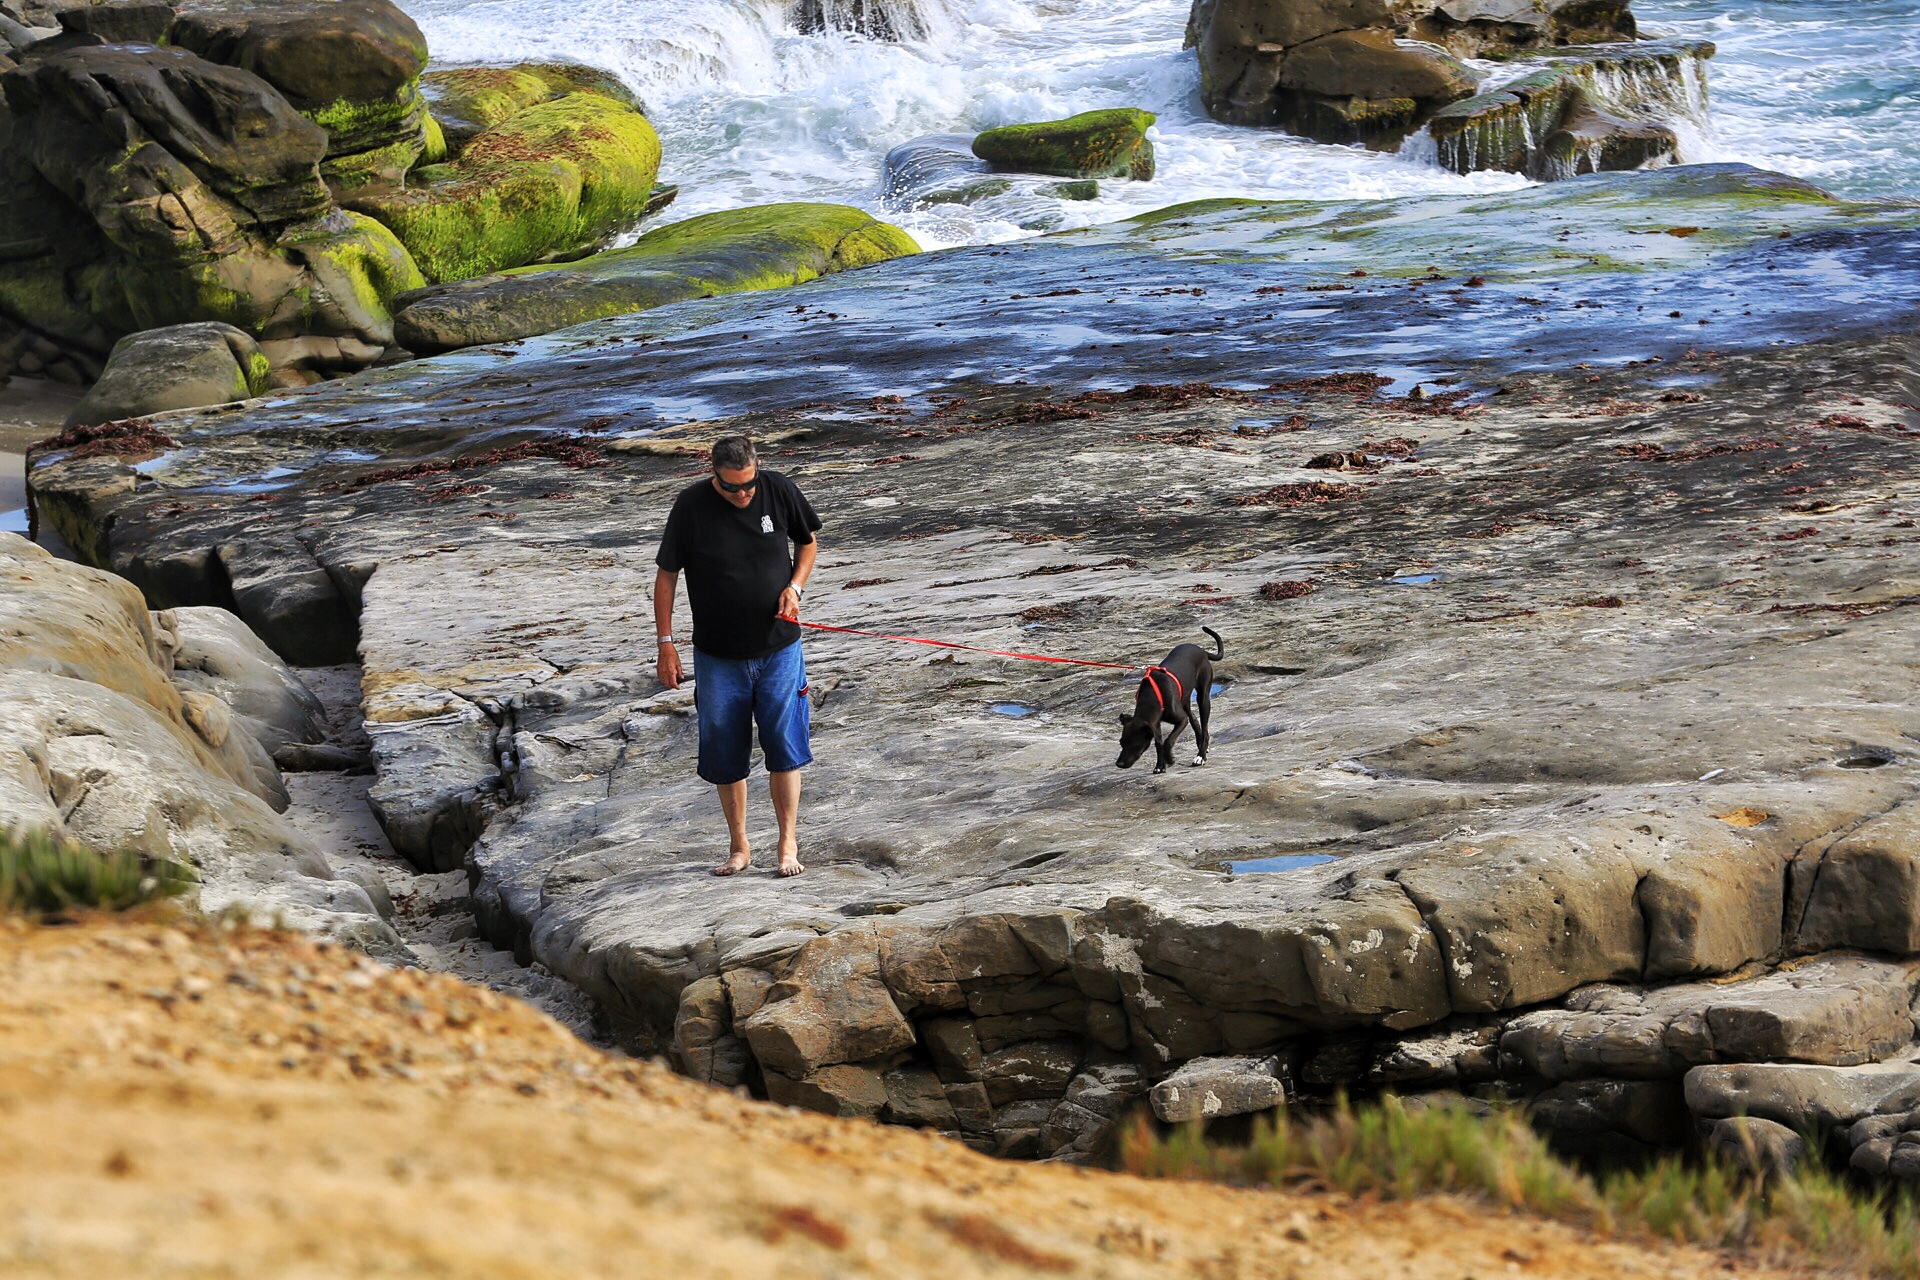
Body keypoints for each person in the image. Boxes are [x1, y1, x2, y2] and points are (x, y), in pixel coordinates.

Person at [653, 434, 821, 877]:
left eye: (748, 485)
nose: (743, 494)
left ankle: (788, 844)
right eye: (732, 488)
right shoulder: (689, 507)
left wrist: (795, 587)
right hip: (717, 656)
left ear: (757, 468)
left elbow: (808, 543)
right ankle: (739, 846)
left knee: (785, 745)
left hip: (779, 649)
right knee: (726, 751)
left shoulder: (779, 488)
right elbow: (666, 576)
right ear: (714, 475)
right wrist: (666, 643)